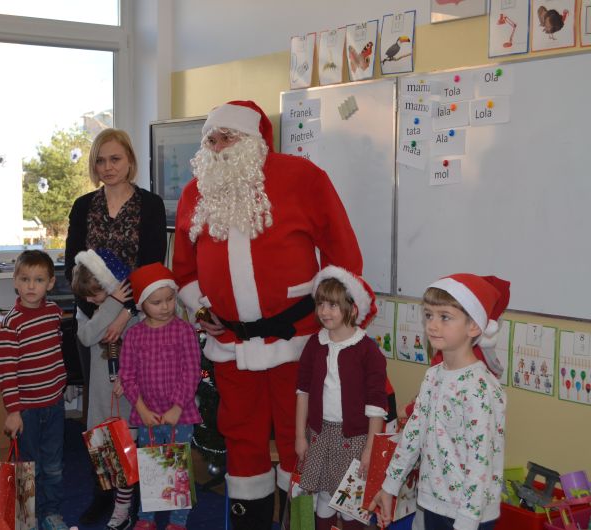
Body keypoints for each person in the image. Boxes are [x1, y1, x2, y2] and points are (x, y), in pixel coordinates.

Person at [172, 100, 362, 529]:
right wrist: (202, 308)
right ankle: (249, 521)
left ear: (254, 141)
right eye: (210, 139)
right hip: (230, 345)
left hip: (295, 339)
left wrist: (337, 315)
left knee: (300, 436)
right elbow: (184, 269)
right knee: (240, 435)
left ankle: (301, 521)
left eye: (228, 137)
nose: (218, 147)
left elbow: (342, 251)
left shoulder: (301, 178)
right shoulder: (194, 193)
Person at [64, 127, 167, 524]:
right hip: (92, 322)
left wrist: (125, 312)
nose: (107, 167)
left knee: (139, 408)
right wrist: (97, 312)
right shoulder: (83, 206)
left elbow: (152, 266)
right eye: (100, 161)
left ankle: (142, 496)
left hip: (138, 320)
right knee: (102, 413)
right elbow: (72, 265)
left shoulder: (150, 205)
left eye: (115, 159)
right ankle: (105, 493)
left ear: (130, 161)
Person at [369, 274, 510, 530]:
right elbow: (412, 436)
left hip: (469, 515)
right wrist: (389, 486)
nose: (432, 325)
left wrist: (467, 522)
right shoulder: (433, 376)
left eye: (444, 317)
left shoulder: (480, 389)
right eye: (429, 315)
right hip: (433, 503)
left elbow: (480, 462)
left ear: (473, 326)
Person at [295, 266, 388, 530]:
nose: (324, 311)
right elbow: (303, 392)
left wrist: (369, 448)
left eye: (333, 305)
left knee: (351, 503)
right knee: (324, 497)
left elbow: (376, 405)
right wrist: (300, 436)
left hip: (354, 439)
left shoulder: (367, 350)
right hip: (320, 433)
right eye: (321, 304)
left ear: (353, 309)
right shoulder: (315, 344)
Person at [118, 263, 202, 530]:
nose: (165, 307)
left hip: (180, 414)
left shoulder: (184, 331)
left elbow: (191, 371)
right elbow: (127, 376)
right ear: (142, 304)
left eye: (169, 299)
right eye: (156, 302)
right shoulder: (134, 335)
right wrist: (141, 409)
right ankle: (147, 517)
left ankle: (178, 520)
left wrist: (177, 406)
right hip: (148, 415)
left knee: (178, 466)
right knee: (151, 465)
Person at [0, 250, 71, 530]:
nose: (31, 286)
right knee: (28, 466)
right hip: (26, 410)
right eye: (25, 279)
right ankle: (26, 517)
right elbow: (6, 371)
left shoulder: (54, 313)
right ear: (15, 281)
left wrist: (59, 385)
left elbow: (55, 351)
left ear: (50, 283)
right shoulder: (12, 322)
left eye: (38, 280)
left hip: (54, 405)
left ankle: (51, 513)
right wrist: (13, 411)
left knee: (53, 465)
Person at [71, 248, 139, 530]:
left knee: (127, 456)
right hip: (100, 402)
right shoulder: (94, 310)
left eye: (94, 294)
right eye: (85, 296)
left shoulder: (133, 313)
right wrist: (111, 304)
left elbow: (142, 346)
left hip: (127, 399)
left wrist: (121, 308)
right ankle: (110, 503)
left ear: (111, 285)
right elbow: (87, 336)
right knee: (105, 456)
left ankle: (125, 509)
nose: (89, 300)